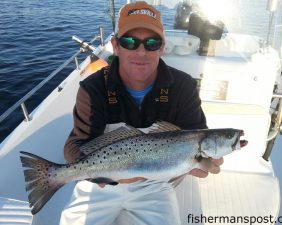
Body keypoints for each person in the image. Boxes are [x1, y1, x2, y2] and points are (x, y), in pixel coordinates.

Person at [60, 1, 223, 225]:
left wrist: (204, 162)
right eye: (130, 42)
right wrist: (105, 173)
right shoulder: (94, 87)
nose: (141, 51)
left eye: (151, 43)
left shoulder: (183, 86)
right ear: (116, 46)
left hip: (154, 183)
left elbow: (198, 135)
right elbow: (75, 146)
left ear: (162, 47)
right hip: (102, 181)